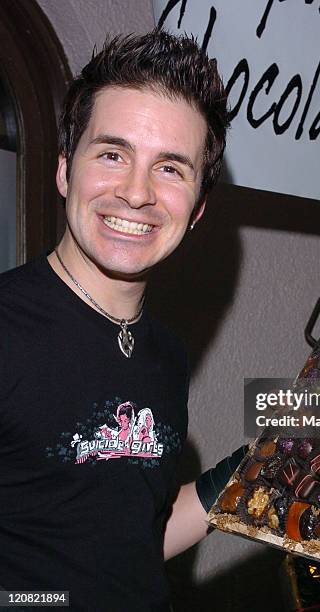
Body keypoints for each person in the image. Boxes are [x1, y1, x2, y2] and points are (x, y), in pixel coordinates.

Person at [0, 29, 245, 612]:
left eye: (170, 168)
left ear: (197, 208)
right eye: (112, 154)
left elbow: (127, 546)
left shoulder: (164, 354)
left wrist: (252, 468)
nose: (136, 194)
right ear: (65, 170)